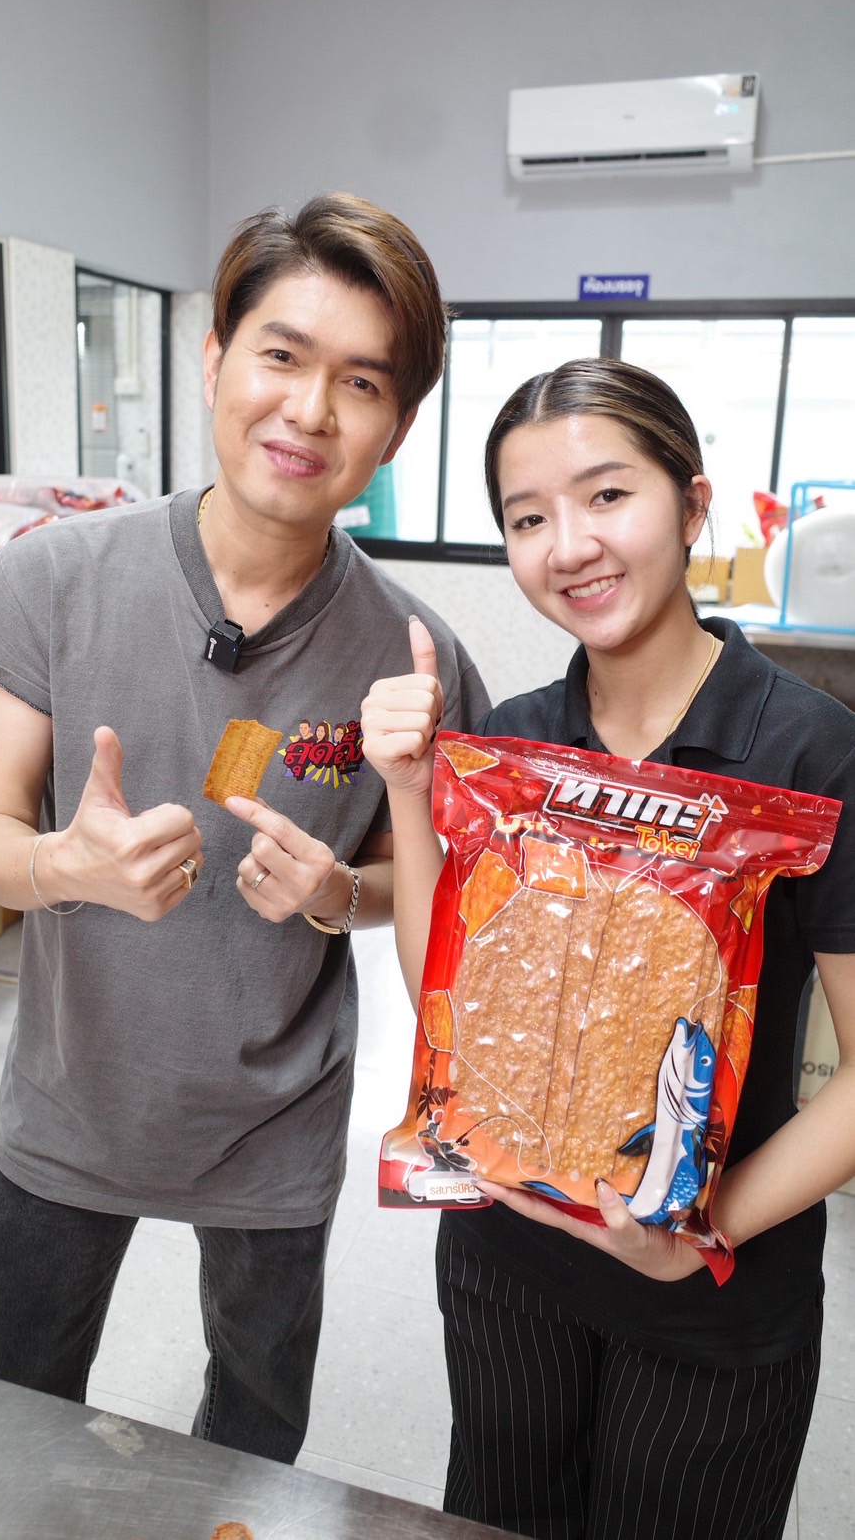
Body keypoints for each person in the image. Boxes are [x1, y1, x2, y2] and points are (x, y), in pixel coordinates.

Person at [0, 192, 490, 1464]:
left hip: (275, 1129)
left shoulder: (415, 654)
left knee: (250, 1439)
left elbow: (419, 885)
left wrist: (338, 893)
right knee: (5, 1425)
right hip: (69, 1109)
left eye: (361, 383)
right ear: (216, 358)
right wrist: (64, 865)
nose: (308, 410)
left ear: (397, 425)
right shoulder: (49, 580)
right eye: (281, 354)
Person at [360, 357, 855, 1540]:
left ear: (690, 506)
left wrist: (704, 1234)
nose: (568, 545)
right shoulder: (515, 743)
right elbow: (452, 1009)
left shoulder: (810, 752)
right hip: (505, 1261)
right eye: (527, 518)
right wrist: (411, 790)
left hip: (712, 1298)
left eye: (607, 496)